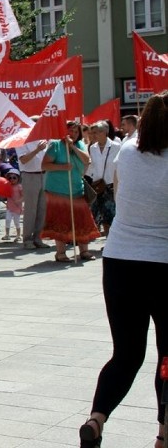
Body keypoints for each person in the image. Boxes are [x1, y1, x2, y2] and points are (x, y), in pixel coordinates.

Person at [79, 92, 168, 448]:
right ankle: (163, 433)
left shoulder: (126, 153)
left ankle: (96, 419)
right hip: (163, 265)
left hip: (120, 263)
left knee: (126, 354)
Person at [41, 121, 100, 262]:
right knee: (60, 221)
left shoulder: (79, 145)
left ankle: (84, 251)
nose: (73, 134)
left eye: (75, 132)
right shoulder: (55, 145)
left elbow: (87, 160)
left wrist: (72, 146)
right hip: (57, 190)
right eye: (70, 131)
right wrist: (62, 167)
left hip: (76, 189)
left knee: (82, 220)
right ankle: (60, 252)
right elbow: (44, 165)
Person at [15, 127, 50, 250]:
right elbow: (24, 160)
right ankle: (27, 239)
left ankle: (38, 237)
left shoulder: (44, 140)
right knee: (31, 209)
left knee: (42, 208)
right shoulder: (21, 140)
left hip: (44, 174)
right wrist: (37, 150)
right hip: (30, 175)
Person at [87, 121, 120, 237]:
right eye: (93, 132)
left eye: (98, 132)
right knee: (100, 215)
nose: (95, 135)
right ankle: (107, 240)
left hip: (110, 186)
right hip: (97, 186)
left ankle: (111, 241)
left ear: (105, 132)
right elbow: (92, 167)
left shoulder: (116, 146)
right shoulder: (92, 148)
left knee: (110, 216)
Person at [2, 169, 23, 242]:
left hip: (17, 208)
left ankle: (18, 235)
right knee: (7, 220)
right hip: (9, 207)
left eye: (14, 178)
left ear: (18, 178)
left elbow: (24, 196)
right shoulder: (8, 186)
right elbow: (4, 194)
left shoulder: (19, 186)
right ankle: (7, 234)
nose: (12, 179)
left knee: (16, 222)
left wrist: (19, 201)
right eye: (10, 178)